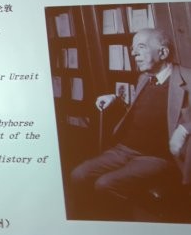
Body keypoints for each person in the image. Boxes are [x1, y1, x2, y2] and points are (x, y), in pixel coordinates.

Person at [70, 27, 191, 220]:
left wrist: (184, 128)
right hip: (124, 149)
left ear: (163, 52)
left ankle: (127, 228)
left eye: (141, 47)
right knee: (78, 174)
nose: (133, 53)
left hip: (156, 157)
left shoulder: (187, 78)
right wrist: (115, 99)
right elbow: (143, 112)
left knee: (105, 184)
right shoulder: (143, 78)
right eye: (133, 48)